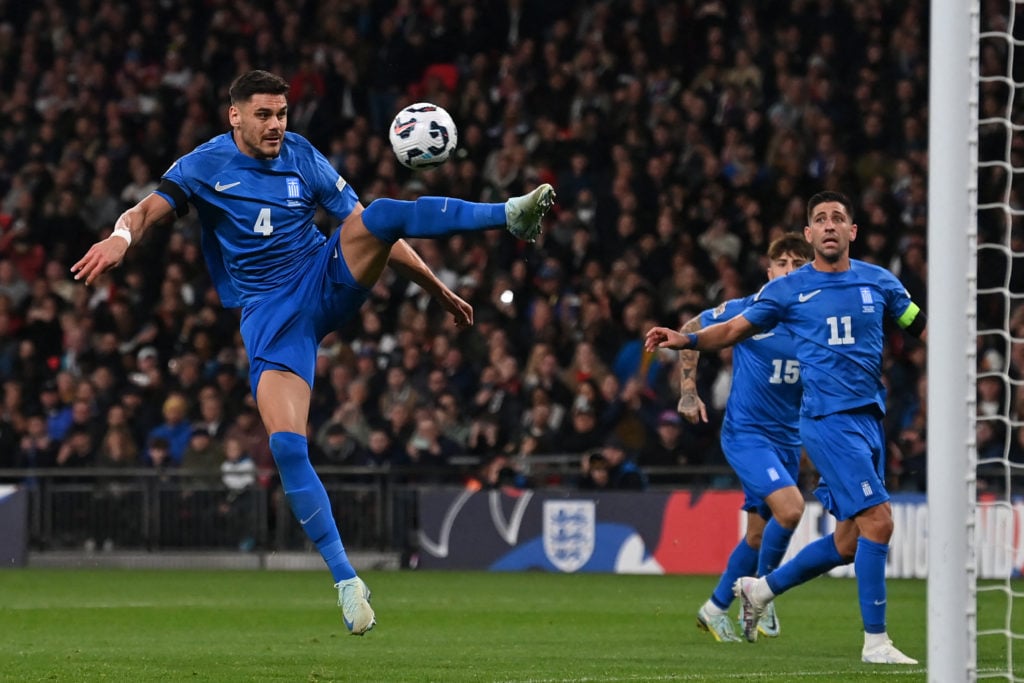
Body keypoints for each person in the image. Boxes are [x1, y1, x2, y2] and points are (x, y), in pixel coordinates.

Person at [71, 69, 556, 636]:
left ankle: (509, 214)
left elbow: (370, 230)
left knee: (376, 213)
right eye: (264, 115)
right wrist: (120, 238)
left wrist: (437, 287)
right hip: (272, 320)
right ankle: (348, 582)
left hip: (324, 279)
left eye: (281, 113)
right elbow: (146, 212)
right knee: (286, 446)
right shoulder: (204, 165)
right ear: (235, 115)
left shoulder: (304, 156)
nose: (277, 125)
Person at [645, 191, 927, 665]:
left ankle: (761, 589)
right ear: (813, 233)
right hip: (824, 421)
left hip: (868, 419)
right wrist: (687, 339)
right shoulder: (785, 292)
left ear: (853, 231)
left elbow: (917, 325)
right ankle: (875, 642)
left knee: (848, 541)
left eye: (839, 217)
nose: (831, 225)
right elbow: (732, 331)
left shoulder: (880, 282)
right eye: (821, 219)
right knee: (878, 521)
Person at [677, 234, 813, 643]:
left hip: (789, 440)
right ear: (769, 272)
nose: (789, 270)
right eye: (782, 263)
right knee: (790, 510)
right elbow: (691, 327)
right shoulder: (752, 310)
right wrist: (688, 390)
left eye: (798, 263)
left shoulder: (818, 322)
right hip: (747, 435)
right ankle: (763, 595)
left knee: (757, 535)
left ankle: (715, 607)